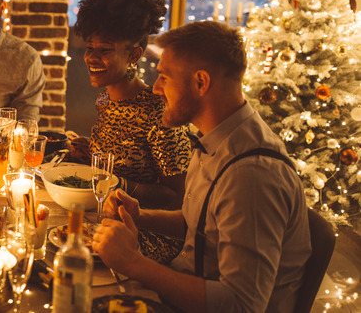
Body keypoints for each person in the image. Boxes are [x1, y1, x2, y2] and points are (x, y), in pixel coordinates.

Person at [92, 21, 311, 312]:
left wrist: (134, 263)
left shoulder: (251, 175)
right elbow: (200, 225)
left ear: (201, 82)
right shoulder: (214, 136)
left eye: (165, 77)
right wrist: (139, 216)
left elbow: (242, 305)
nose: (156, 89)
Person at [69, 0, 190, 263]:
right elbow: (123, 156)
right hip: (103, 218)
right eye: (90, 48)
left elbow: (177, 197)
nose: (92, 58)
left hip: (145, 239)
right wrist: (92, 152)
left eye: (105, 50)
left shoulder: (160, 113)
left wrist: (116, 182)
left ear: (134, 55)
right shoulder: (105, 100)